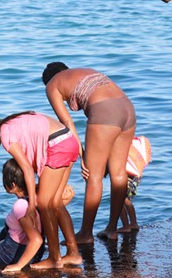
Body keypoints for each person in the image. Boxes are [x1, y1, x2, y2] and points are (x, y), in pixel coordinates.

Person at [0, 110, 83, 269]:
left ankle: (54, 258)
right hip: (69, 140)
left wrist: (30, 206)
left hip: (56, 145)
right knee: (56, 203)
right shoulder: (11, 123)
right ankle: (73, 253)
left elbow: (28, 170)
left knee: (44, 204)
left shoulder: (5, 134)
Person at [41, 62, 136, 243]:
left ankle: (85, 234)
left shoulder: (52, 84)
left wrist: (81, 153)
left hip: (106, 111)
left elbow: (67, 123)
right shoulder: (85, 71)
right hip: (127, 108)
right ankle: (112, 229)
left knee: (93, 176)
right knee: (118, 173)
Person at [118, 135, 152, 233]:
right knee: (126, 200)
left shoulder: (123, 144)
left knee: (119, 201)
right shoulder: (134, 142)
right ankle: (133, 223)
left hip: (127, 176)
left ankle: (126, 225)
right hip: (135, 177)